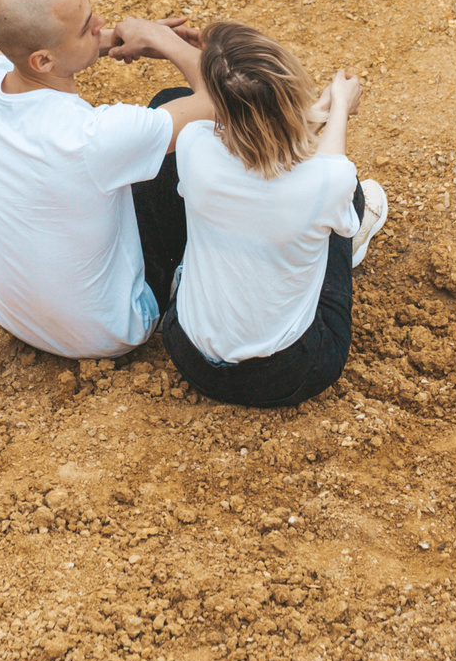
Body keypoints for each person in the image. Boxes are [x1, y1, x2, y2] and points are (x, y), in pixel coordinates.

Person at [0, 0, 214, 360]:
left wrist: (109, 41)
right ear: (44, 60)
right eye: (86, 27)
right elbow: (219, 98)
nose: (101, 24)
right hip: (111, 329)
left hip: (9, 311)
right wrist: (162, 40)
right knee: (180, 114)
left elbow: (15, 44)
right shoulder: (91, 136)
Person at [160, 21, 389, 409]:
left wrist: (321, 111)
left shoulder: (194, 144)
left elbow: (259, 135)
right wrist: (339, 108)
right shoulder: (328, 180)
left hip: (189, 356)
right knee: (348, 198)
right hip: (287, 374)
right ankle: (353, 237)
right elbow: (332, 167)